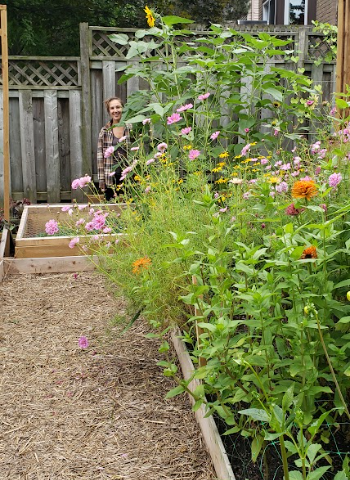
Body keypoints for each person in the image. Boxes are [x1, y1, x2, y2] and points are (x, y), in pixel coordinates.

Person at [97, 97, 131, 201]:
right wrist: (101, 180)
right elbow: (100, 157)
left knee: (131, 208)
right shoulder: (105, 131)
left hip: (129, 175)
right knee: (112, 211)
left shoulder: (130, 128)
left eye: (118, 107)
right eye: (112, 108)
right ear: (109, 111)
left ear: (123, 109)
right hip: (110, 176)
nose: (115, 111)